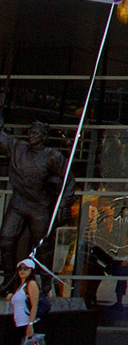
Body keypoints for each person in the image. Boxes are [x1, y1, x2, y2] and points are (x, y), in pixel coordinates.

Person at [0, 113, 65, 267]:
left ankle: (45, 279)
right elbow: (2, 138)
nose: (31, 135)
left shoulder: (52, 156)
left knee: (42, 246)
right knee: (5, 240)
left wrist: (65, 201)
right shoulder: (18, 148)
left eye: (35, 133)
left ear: (43, 136)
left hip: (39, 207)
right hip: (18, 204)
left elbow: (67, 180)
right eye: (30, 132)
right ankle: (10, 275)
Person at [7, 258, 38, 345]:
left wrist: (30, 324)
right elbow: (20, 306)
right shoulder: (21, 285)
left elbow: (34, 305)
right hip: (18, 323)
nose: (22, 271)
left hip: (26, 324)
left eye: (25, 269)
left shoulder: (31, 284)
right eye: (20, 269)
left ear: (31, 271)